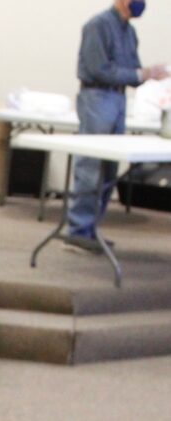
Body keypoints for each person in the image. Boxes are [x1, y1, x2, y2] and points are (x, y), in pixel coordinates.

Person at [65, 0, 167, 252]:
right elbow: (98, 69)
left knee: (109, 168)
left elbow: (132, 71)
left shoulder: (129, 31)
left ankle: (90, 229)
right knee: (91, 166)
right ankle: (77, 230)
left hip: (118, 99)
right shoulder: (97, 26)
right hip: (97, 98)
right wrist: (139, 75)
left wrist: (150, 75)